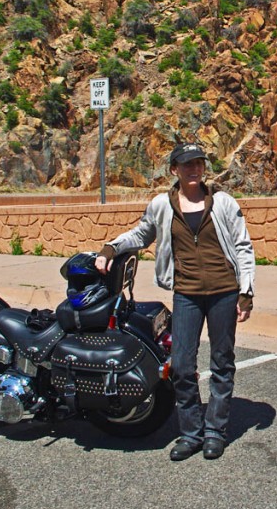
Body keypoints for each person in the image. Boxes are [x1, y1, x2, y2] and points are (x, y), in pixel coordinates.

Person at [95, 142, 255, 461]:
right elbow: (141, 235)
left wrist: (246, 292)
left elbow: (243, 247)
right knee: (181, 365)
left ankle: (215, 432)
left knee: (222, 362)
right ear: (174, 170)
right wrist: (110, 248)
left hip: (224, 292)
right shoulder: (161, 205)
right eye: (186, 165)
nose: (193, 169)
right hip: (186, 293)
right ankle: (191, 432)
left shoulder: (222, 202)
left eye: (198, 163)